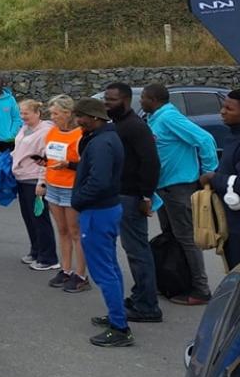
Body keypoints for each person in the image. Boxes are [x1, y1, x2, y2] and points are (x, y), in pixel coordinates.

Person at [141, 83, 218, 305]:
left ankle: (201, 289)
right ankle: (177, 281)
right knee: (171, 237)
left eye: (144, 97)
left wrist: (207, 173)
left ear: (153, 99)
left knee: (186, 239)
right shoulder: (156, 118)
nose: (142, 101)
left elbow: (204, 139)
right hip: (165, 188)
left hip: (179, 187)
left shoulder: (168, 117)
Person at [71, 98, 132, 347]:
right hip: (106, 209)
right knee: (110, 266)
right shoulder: (106, 138)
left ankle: (120, 328)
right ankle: (117, 315)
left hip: (97, 212)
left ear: (95, 118)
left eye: (82, 117)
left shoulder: (101, 143)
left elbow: (99, 181)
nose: (78, 121)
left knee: (103, 271)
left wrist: (78, 201)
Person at [103, 83, 163, 322]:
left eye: (111, 100)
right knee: (133, 250)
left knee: (138, 251)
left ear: (126, 101)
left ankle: (148, 306)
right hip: (122, 194)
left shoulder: (136, 127)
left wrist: (146, 195)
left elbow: (151, 163)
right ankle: (140, 296)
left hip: (132, 197)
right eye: (106, 99)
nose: (106, 103)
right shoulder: (118, 125)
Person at [39, 94, 90, 293]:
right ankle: (66, 269)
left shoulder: (80, 135)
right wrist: (42, 173)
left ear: (68, 114)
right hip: (53, 185)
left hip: (71, 188)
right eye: (51, 113)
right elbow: (47, 157)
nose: (52, 117)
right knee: (62, 230)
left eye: (56, 113)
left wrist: (69, 165)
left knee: (75, 232)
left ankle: (81, 275)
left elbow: (87, 165)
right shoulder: (51, 133)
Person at [12, 99, 59, 271]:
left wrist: (42, 182)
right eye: (21, 113)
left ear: (37, 113)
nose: (23, 117)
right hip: (22, 178)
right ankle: (36, 250)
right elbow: (20, 150)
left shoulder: (46, 132)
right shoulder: (25, 128)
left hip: (34, 181)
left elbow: (46, 159)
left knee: (40, 218)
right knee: (29, 218)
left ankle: (49, 257)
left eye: (26, 113)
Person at [200, 89, 240, 271]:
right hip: (230, 223)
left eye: (229, 108)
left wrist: (214, 178)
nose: (222, 112)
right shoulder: (233, 135)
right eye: (223, 106)